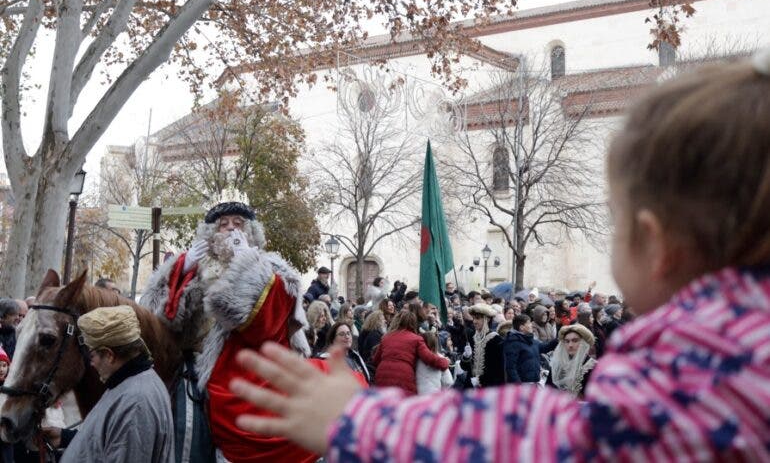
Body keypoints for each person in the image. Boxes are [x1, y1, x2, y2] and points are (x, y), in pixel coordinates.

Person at [228, 51, 770, 460]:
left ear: (656, 245)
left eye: (616, 219)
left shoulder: (703, 365)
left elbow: (549, 436)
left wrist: (362, 423)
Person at [139, 198, 313, 463]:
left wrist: (250, 267)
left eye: (238, 223)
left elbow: (269, 322)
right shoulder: (196, 267)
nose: (231, 228)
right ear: (211, 233)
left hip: (254, 366)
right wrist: (180, 270)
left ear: (250, 231)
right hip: (196, 365)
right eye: (224, 224)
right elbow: (158, 318)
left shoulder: (271, 267)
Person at [43, 306, 173, 463]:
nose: (91, 363)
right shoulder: (128, 381)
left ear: (109, 355)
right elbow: (109, 440)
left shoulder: (135, 403)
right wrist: (65, 438)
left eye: (92, 355)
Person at [372, 310, 449, 395]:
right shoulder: (416, 339)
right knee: (404, 401)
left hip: (382, 374)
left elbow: (376, 360)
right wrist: (444, 362)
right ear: (413, 323)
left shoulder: (386, 337)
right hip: (403, 375)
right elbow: (429, 358)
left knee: (384, 401)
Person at [460, 303, 505, 388]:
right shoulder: (472, 337)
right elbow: (465, 367)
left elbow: (498, 369)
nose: (474, 321)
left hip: (489, 387)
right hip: (471, 386)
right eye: (473, 318)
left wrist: (481, 380)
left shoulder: (496, 339)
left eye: (478, 318)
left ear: (487, 319)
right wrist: (466, 357)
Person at [503, 314, 557, 385]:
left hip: (534, 382)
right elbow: (511, 368)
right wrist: (518, 386)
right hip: (523, 385)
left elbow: (544, 347)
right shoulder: (512, 343)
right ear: (521, 327)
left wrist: (557, 340)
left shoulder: (531, 340)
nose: (531, 325)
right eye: (528, 323)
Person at [546, 324, 596, 398]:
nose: (570, 345)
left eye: (575, 341)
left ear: (583, 343)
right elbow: (547, 391)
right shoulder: (557, 366)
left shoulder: (592, 367)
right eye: (567, 341)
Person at [357, 310, 386, 377]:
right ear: (377, 321)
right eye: (383, 319)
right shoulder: (374, 335)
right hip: (372, 368)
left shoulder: (372, 333)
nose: (385, 321)